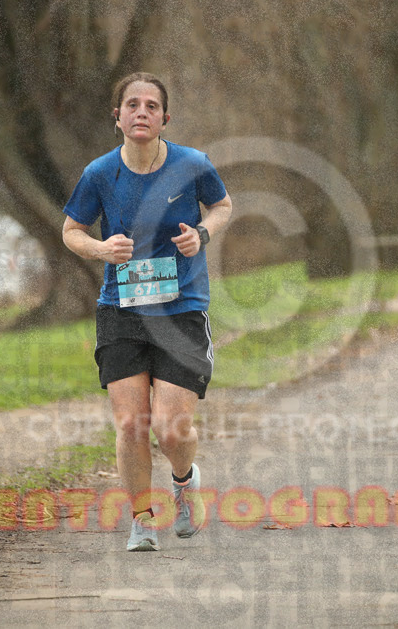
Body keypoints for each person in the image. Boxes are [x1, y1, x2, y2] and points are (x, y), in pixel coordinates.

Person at [61, 72, 233, 552]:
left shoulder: (192, 164)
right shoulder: (99, 173)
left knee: (170, 428)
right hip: (122, 310)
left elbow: (222, 206)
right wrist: (100, 248)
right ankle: (141, 519)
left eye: (151, 106)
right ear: (116, 117)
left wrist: (202, 233)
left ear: (164, 118)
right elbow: (70, 230)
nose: (141, 112)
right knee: (131, 423)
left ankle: (184, 479)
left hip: (181, 310)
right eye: (132, 105)